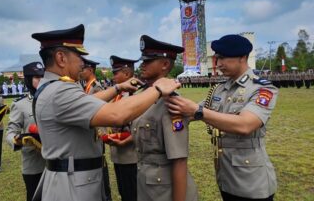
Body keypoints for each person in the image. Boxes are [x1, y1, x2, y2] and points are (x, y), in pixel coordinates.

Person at [31, 24, 180, 201]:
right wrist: (157, 88)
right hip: (72, 187)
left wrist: (117, 88)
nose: (82, 63)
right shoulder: (60, 91)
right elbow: (117, 115)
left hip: (71, 179)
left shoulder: (50, 87)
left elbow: (87, 103)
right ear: (61, 58)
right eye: (79, 56)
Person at [166, 34, 278, 201]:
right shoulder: (220, 89)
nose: (218, 64)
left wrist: (197, 111)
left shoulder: (262, 89)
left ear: (242, 57)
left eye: (223, 58)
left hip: (252, 181)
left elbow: (245, 125)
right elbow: (190, 112)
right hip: (226, 176)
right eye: (217, 58)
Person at [132, 35, 198, 201]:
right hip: (147, 184)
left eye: (148, 61)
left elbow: (179, 160)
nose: (142, 65)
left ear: (165, 64)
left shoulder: (171, 103)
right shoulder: (144, 96)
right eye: (143, 60)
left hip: (164, 190)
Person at [6, 62, 45, 201]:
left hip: (56, 163)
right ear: (28, 79)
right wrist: (18, 140)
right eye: (37, 77)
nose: (41, 80)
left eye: (43, 76)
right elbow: (11, 132)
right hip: (34, 164)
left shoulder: (52, 100)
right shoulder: (20, 105)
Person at [105, 55, 138, 201]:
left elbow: (142, 126)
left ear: (126, 73)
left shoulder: (137, 93)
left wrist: (127, 140)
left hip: (132, 156)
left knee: (133, 195)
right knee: (125, 193)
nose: (113, 76)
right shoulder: (119, 93)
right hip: (119, 154)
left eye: (115, 72)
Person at [79, 57, 112, 201]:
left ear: (90, 70)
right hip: (91, 133)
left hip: (98, 133)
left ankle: (106, 195)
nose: (81, 72)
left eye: (83, 69)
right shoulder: (86, 87)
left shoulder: (96, 87)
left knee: (100, 165)